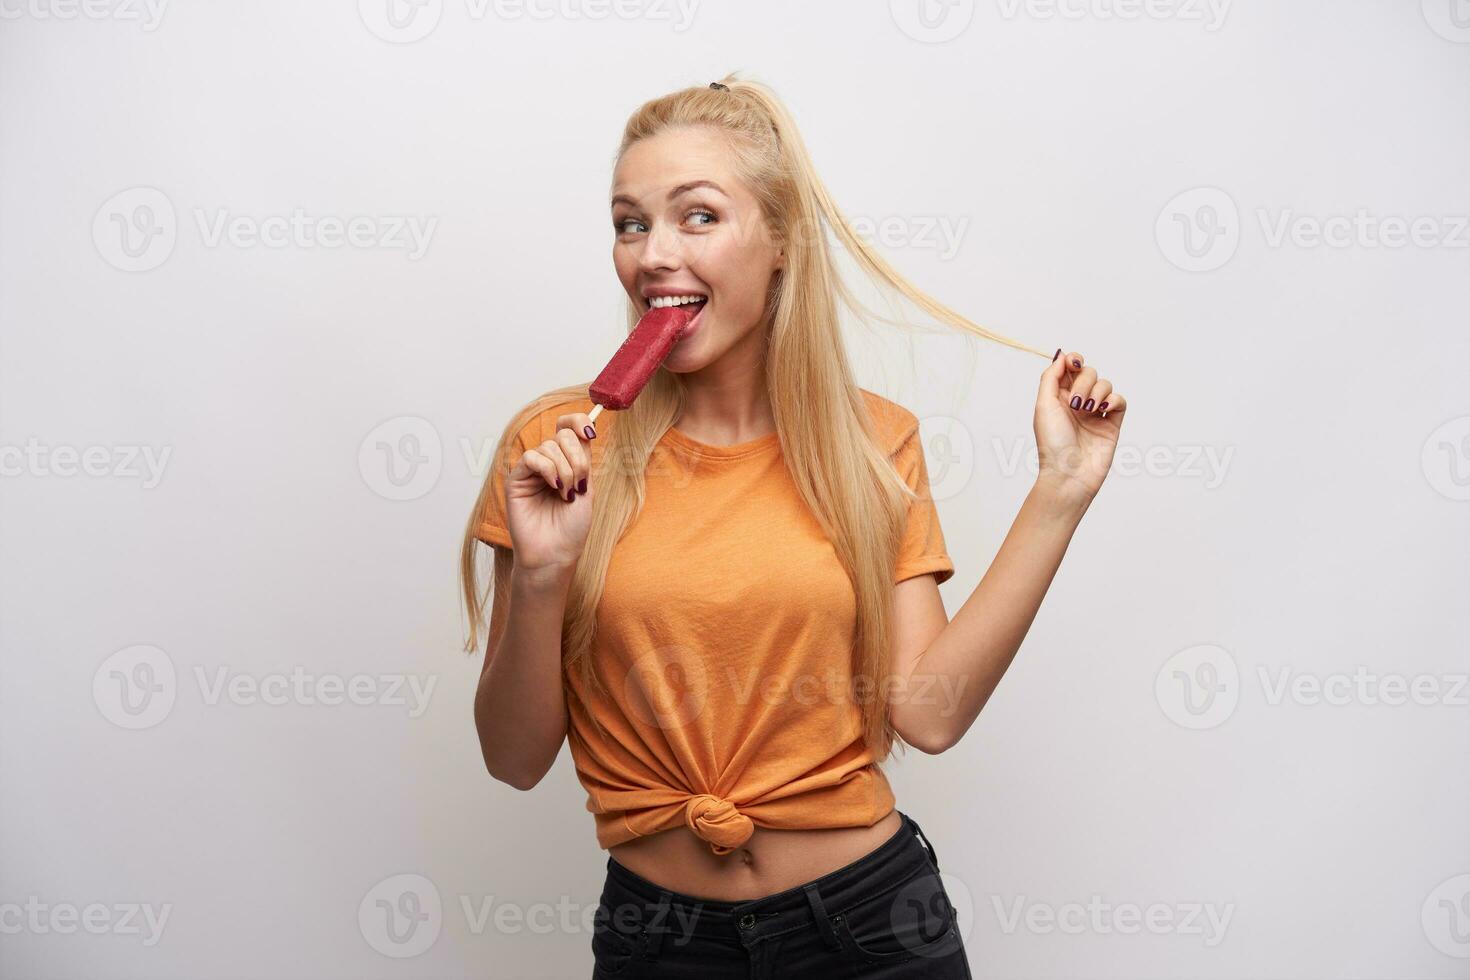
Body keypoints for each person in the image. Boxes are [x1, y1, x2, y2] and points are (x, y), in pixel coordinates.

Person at [460, 74, 1126, 979]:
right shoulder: (556, 448)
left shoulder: (872, 443)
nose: (654, 252)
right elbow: (512, 758)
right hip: (659, 943)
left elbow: (927, 717)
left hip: (875, 926)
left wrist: (1062, 487)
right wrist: (542, 577)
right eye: (630, 221)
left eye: (698, 217)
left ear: (780, 244)